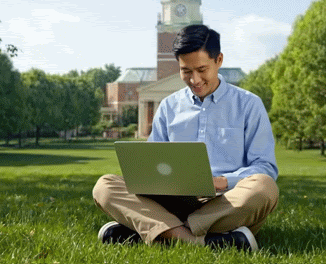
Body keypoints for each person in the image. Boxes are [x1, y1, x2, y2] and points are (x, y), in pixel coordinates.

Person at [93, 24, 279, 251]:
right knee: (105, 186)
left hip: (226, 201)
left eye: (202, 69)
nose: (195, 79)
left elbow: (265, 167)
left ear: (219, 60)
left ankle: (157, 230)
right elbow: (152, 162)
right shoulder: (169, 107)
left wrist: (221, 181)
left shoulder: (249, 104)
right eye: (186, 71)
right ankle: (206, 240)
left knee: (264, 187)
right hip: (174, 201)